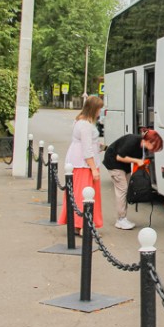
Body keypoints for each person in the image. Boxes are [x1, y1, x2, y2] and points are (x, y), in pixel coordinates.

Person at [59, 95, 104, 234]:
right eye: (98, 109)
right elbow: (86, 149)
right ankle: (83, 224)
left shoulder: (81, 121)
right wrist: (93, 169)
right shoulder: (85, 125)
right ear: (93, 109)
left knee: (79, 193)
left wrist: (99, 146)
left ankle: (79, 224)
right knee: (84, 195)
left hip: (79, 162)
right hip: (83, 165)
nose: (100, 112)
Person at [102, 129, 164, 230]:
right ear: (149, 141)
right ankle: (120, 219)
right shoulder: (132, 140)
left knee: (126, 189)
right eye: (154, 146)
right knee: (122, 189)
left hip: (123, 166)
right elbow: (119, 157)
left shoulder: (143, 147)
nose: (154, 150)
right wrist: (137, 161)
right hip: (113, 162)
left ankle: (122, 218)